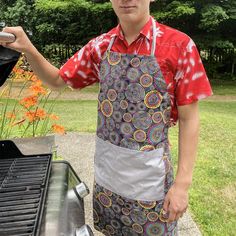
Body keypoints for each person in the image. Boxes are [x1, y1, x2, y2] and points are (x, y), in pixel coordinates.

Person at [0, 0, 212, 235]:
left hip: (151, 187)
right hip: (109, 185)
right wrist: (28, 47)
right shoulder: (100, 46)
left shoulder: (179, 46)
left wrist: (182, 184)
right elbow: (58, 81)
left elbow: (189, 118)